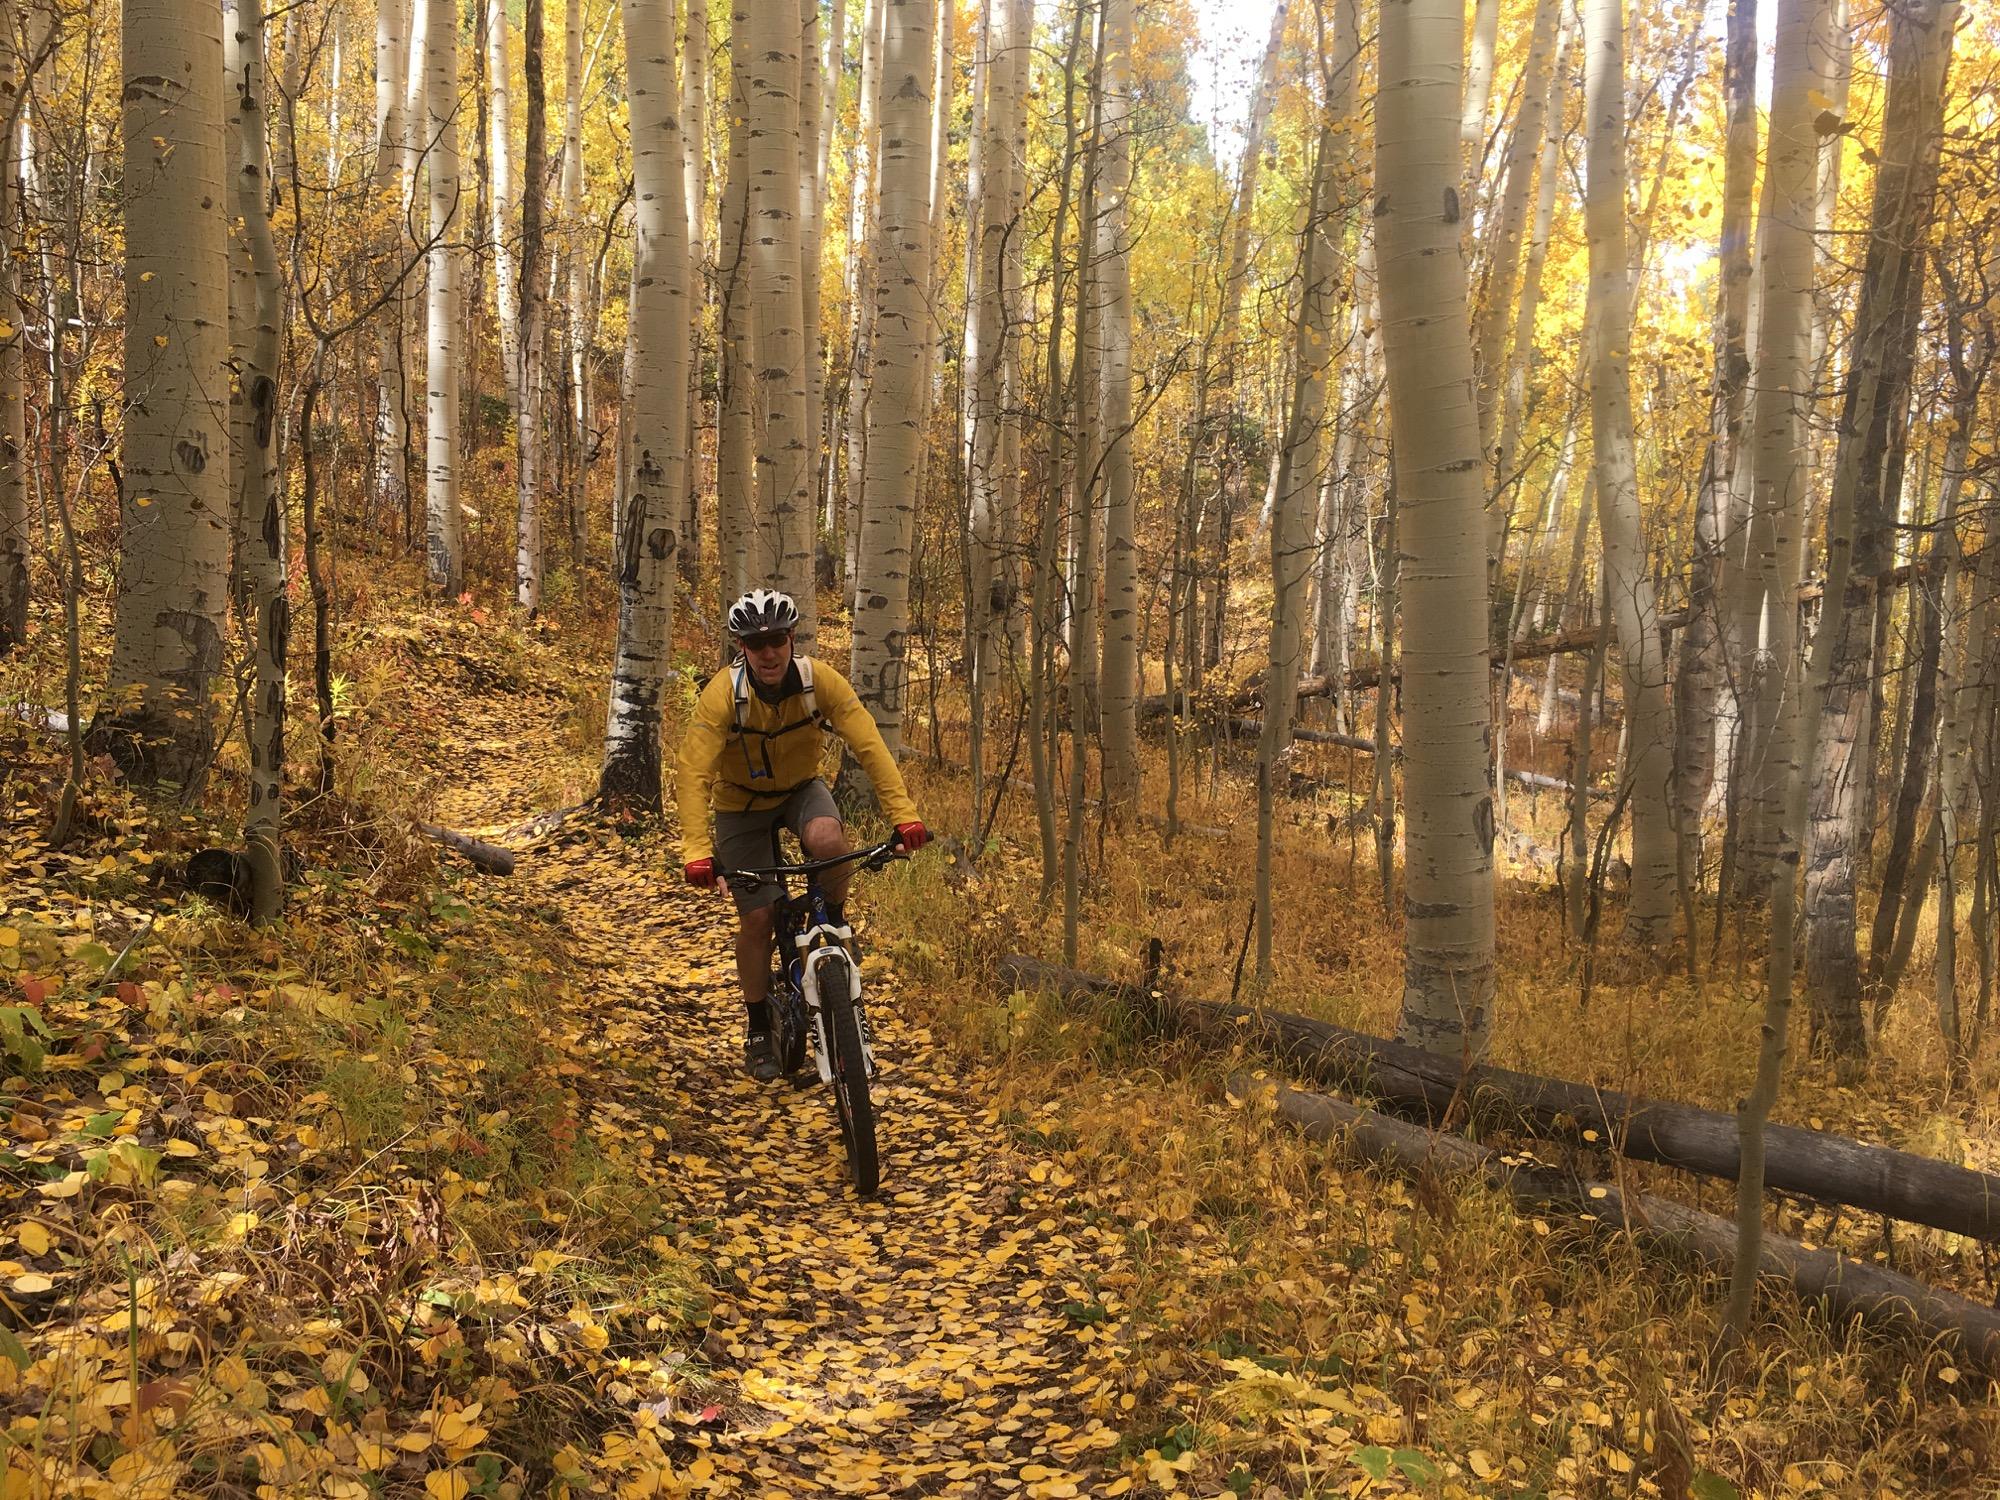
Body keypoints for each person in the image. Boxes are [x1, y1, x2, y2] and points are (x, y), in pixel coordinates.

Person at [675, 589, 929, 1081]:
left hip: (799, 790)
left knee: (830, 843)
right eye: (756, 643)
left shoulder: (820, 682)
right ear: (741, 647)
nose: (768, 653)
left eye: (777, 640)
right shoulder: (723, 695)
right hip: (740, 803)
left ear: (792, 639)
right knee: (759, 917)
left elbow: (870, 744)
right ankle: (756, 1027)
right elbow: (693, 773)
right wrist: (697, 851)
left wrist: (905, 816)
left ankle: (830, 921)